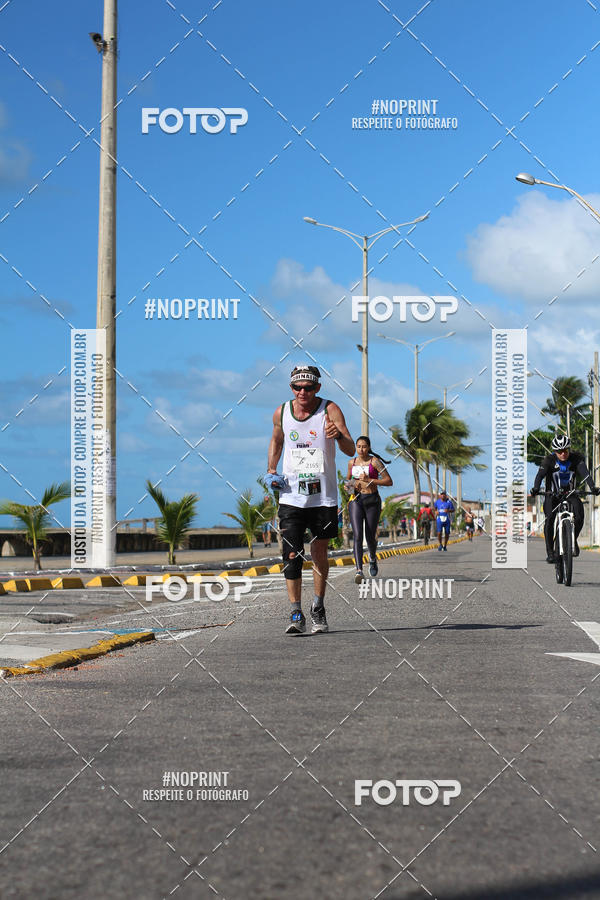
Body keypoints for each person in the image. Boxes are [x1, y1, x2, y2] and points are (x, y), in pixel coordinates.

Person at [266, 365, 354, 634]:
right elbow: (277, 441)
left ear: (317, 387)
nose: (302, 392)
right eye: (297, 387)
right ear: (291, 388)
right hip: (292, 496)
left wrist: (337, 435)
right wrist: (271, 470)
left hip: (323, 497)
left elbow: (350, 448)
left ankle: (318, 608)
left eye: (308, 387)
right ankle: (295, 613)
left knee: (319, 553)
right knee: (291, 554)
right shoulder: (282, 412)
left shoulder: (330, 410)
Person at [530, 434, 599, 563]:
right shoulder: (548, 460)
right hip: (552, 495)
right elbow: (540, 476)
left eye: (565, 450)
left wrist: (593, 487)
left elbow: (586, 474)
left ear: (569, 449)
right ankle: (550, 552)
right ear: (555, 451)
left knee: (579, 516)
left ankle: (572, 540)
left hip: (571, 494)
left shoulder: (576, 459)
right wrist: (536, 488)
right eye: (559, 451)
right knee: (549, 519)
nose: (563, 454)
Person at [346, 436, 393, 582]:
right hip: (356, 501)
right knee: (358, 535)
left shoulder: (375, 462)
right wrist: (349, 486)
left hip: (372, 500)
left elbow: (389, 481)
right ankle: (359, 570)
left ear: (369, 447)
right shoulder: (351, 462)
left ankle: (372, 558)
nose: (361, 449)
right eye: (359, 446)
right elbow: (348, 482)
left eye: (364, 446)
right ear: (356, 447)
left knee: (370, 536)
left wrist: (370, 480)